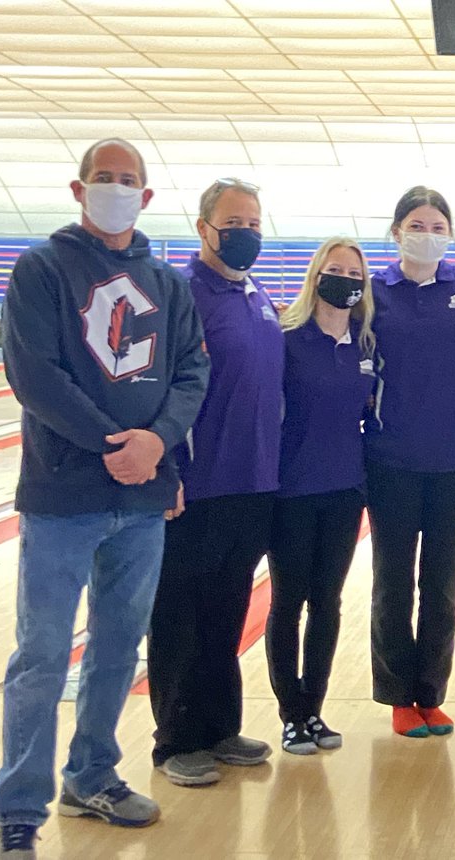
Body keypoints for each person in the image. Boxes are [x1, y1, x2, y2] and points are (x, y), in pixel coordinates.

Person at [0, 138, 209, 860]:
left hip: (143, 497)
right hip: (63, 492)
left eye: (129, 180)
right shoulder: (42, 268)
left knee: (118, 647)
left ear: (147, 198)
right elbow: (37, 375)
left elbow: (191, 373)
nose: (116, 188)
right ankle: (19, 811)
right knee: (43, 654)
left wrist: (157, 444)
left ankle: (93, 775)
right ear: (79, 189)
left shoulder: (168, 283)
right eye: (104, 178)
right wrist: (119, 444)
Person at [147, 177, 282, 786]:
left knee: (227, 610)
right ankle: (175, 740)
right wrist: (167, 467)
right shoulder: (180, 294)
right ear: (204, 228)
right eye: (234, 223)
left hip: (252, 482)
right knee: (180, 612)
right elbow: (157, 387)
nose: (246, 233)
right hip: (195, 485)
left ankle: (220, 726)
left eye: (254, 223)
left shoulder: (256, 293)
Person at [365, 186, 455, 738]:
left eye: (438, 226)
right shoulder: (373, 291)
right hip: (391, 457)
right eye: (417, 224)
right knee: (393, 580)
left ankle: (430, 693)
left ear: (450, 235)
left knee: (442, 583)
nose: (428, 234)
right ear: (396, 232)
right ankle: (396, 696)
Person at [267, 237, 376, 755]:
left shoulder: (366, 343)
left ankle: (315, 708)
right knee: (288, 601)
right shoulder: (287, 338)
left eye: (354, 273)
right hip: (291, 491)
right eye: (336, 270)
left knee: (327, 603)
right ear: (315, 276)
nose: (346, 280)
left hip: (344, 489)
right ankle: (291, 714)